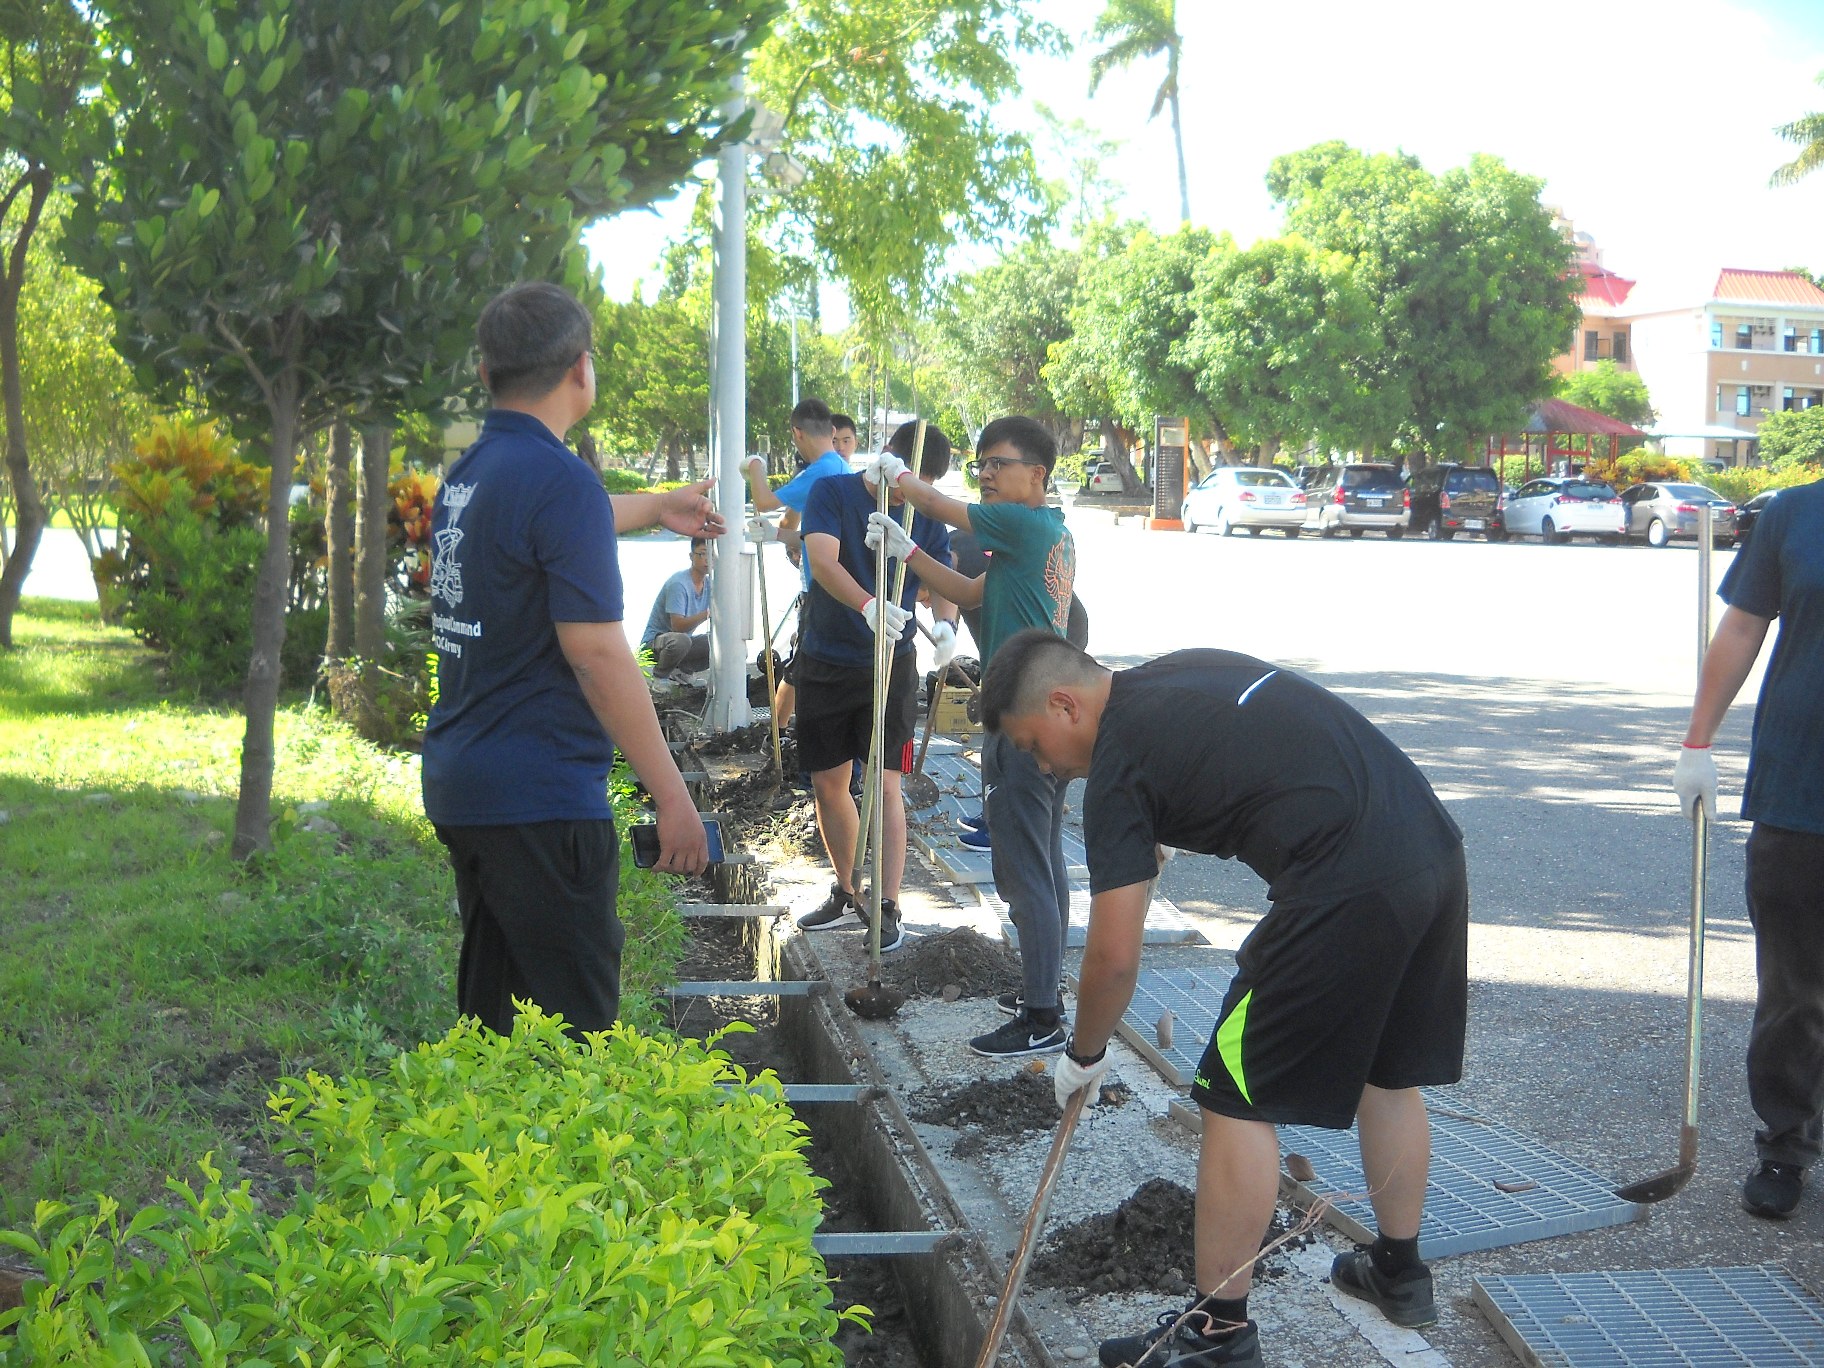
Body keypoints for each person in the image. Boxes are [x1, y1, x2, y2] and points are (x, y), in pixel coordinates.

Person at [981, 630, 1468, 1368]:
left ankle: (1219, 1334)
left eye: (1034, 744)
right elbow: (1244, 751)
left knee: (1233, 1093)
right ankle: (1399, 1273)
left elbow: (1113, 958)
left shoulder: (1117, 765)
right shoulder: (1175, 673)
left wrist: (1082, 1053)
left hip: (1345, 881)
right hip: (1429, 849)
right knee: (1387, 1072)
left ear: (1063, 704)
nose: (1045, 766)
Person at [422, 282, 720, 1038]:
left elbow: (558, 516)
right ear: (582, 371)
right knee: (573, 1040)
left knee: (496, 1030)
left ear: (487, 375)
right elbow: (596, 655)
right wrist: (673, 796)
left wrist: (654, 505)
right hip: (542, 797)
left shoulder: (470, 474)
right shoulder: (560, 482)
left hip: (468, 784)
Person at [863, 416, 1077, 1059]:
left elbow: (936, 502)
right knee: (1047, 861)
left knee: (1022, 872)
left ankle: (1042, 1016)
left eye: (998, 463)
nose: (984, 474)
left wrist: (896, 474)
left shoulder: (1019, 522)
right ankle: (1046, 991)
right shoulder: (1047, 534)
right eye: (981, 463)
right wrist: (908, 553)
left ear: (1036, 475)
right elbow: (968, 591)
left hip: (1022, 720)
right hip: (1049, 720)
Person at [1673, 477, 1824, 1220]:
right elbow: (1741, 628)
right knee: (1795, 989)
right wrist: (1698, 741)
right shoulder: (1796, 513)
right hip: (1801, 787)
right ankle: (1787, 1144)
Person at [794, 421, 960, 946]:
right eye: (908, 476)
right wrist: (867, 603)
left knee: (886, 784)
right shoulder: (833, 491)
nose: (911, 490)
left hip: (893, 662)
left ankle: (888, 906)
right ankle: (848, 891)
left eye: (922, 483)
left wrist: (946, 626)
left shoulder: (925, 512)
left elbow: (939, 576)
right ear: (885, 457)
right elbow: (822, 559)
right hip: (827, 655)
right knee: (828, 780)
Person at [744, 398, 850, 743]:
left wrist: (756, 466)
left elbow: (764, 501)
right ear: (832, 432)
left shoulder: (818, 473)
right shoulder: (842, 469)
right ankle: (781, 733)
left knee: (803, 663)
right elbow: (816, 534)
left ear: (796, 433)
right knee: (804, 662)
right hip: (839, 581)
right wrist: (777, 534)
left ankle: (778, 735)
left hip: (820, 587)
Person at [639, 537, 712, 680]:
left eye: (712, 554)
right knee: (681, 641)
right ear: (691, 556)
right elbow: (677, 626)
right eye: (703, 554)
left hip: (682, 644)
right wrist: (707, 614)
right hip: (655, 644)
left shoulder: (710, 584)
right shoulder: (679, 583)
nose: (708, 559)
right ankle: (659, 677)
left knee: (715, 642)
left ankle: (682, 673)